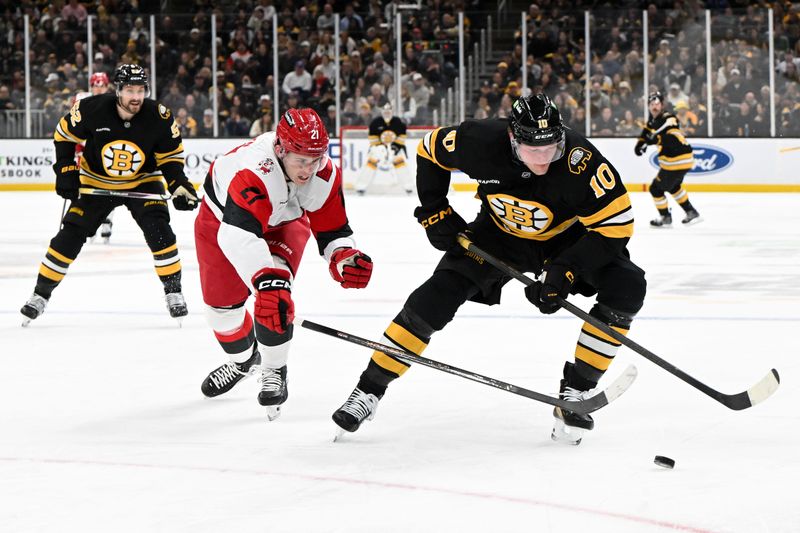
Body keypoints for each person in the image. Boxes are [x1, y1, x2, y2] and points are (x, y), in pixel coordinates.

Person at [331, 94, 646, 445]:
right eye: (532, 151)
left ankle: (575, 393)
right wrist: (435, 210)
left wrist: (566, 268)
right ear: (513, 138)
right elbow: (429, 149)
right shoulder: (479, 140)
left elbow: (616, 227)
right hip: (497, 236)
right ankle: (368, 390)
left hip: (564, 241)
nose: (543, 158)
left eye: (551, 148)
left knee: (628, 285)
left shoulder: (579, 161)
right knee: (432, 300)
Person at [195, 108, 374, 420]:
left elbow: (333, 230)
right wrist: (265, 278)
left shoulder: (324, 173)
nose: (308, 169)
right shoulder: (253, 171)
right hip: (223, 222)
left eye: (315, 159)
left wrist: (343, 256)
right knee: (221, 314)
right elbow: (237, 235)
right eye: (300, 160)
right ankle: (243, 362)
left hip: (284, 224)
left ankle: (274, 368)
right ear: (280, 149)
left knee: (275, 299)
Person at [20, 64, 199, 326]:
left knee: (159, 231)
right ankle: (40, 294)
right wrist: (67, 170)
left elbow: (170, 158)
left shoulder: (159, 116)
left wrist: (178, 184)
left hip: (142, 181)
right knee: (69, 235)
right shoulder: (91, 109)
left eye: (141, 90)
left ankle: (173, 291)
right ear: (118, 90)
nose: (136, 96)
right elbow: (64, 136)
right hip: (96, 181)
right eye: (129, 90)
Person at [635, 91, 701, 227]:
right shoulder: (652, 122)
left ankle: (665, 217)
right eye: (651, 104)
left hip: (676, 158)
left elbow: (670, 130)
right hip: (682, 159)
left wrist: (655, 138)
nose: (654, 107)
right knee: (673, 186)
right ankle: (691, 212)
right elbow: (646, 134)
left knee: (655, 189)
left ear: (662, 105)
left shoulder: (668, 117)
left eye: (657, 104)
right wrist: (640, 144)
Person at [75, 72, 117, 243]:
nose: (99, 88)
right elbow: (74, 129)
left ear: (107, 87)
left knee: (111, 192)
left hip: (108, 155)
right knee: (87, 193)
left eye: (102, 85)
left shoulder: (116, 104)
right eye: (96, 85)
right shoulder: (82, 103)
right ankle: (90, 225)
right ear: (91, 87)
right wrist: (76, 150)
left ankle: (107, 223)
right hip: (87, 156)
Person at [354, 103, 413, 195]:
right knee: (371, 163)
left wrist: (396, 147)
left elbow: (402, 136)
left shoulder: (398, 122)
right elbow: (372, 137)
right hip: (378, 149)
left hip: (394, 149)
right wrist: (379, 147)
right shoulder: (376, 122)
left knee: (400, 163)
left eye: (388, 112)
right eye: (385, 112)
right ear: (382, 112)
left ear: (392, 112)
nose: (387, 114)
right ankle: (361, 187)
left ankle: (408, 187)